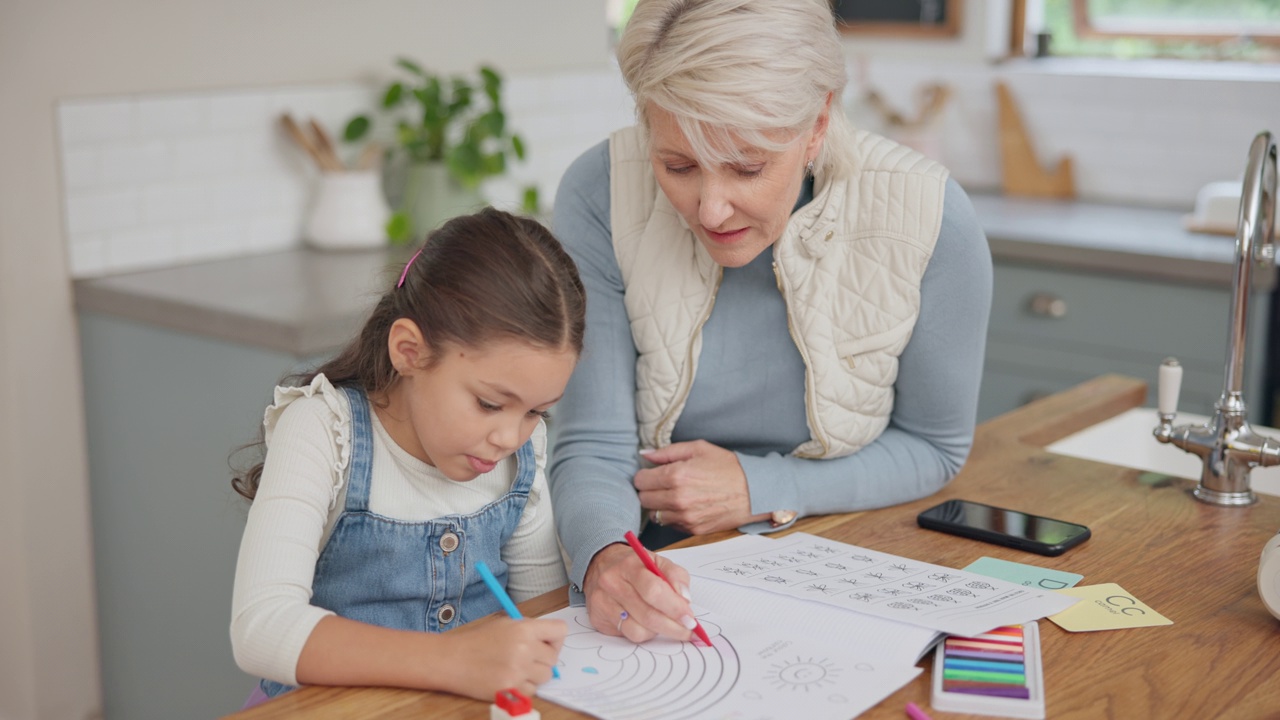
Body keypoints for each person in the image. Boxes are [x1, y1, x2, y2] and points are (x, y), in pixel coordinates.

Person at [548, 0, 993, 644]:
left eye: (747, 167)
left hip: (851, 542)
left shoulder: (928, 217)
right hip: (662, 556)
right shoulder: (599, 192)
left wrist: (760, 484)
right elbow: (592, 444)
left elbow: (935, 446)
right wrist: (605, 560)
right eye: (676, 166)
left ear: (817, 124)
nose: (710, 207)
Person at [229, 207, 584, 705]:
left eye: (537, 412)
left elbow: (543, 609)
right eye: (489, 403)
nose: (510, 436)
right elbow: (261, 629)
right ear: (409, 351)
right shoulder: (322, 432)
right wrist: (456, 661)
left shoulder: (518, 452)